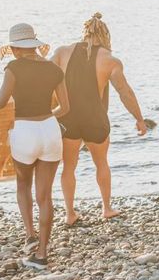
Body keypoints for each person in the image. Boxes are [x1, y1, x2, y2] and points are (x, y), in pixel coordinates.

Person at [0, 23, 69, 270]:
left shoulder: (13, 67)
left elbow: (0, 101)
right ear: (34, 44)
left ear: (15, 48)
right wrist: (46, 120)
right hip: (50, 130)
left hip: (24, 132)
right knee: (45, 196)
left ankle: (30, 235)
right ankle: (42, 254)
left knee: (23, 184)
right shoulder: (54, 68)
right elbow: (65, 108)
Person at [50, 12, 147, 226]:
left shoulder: (61, 53)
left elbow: (45, 82)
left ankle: (69, 213)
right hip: (95, 119)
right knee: (101, 163)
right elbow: (125, 93)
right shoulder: (110, 61)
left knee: (68, 167)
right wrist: (139, 119)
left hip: (67, 118)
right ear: (105, 35)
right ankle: (106, 208)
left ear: (84, 33)